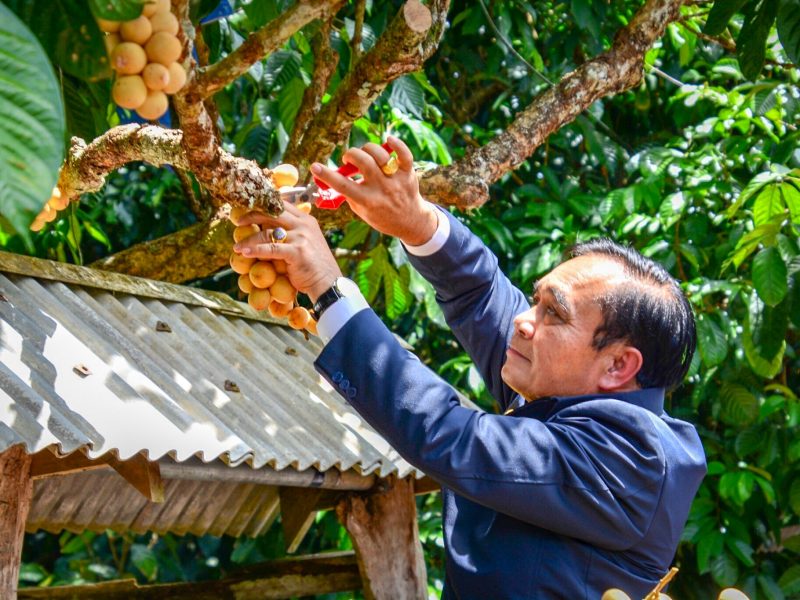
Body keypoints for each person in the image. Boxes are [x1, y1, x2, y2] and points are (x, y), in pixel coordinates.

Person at [233, 136, 707, 599]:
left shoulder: (634, 458)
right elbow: (481, 294)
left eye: (554, 314)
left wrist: (327, 286)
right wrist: (415, 220)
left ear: (618, 365)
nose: (524, 320)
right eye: (536, 300)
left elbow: (449, 434)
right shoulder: (566, 388)